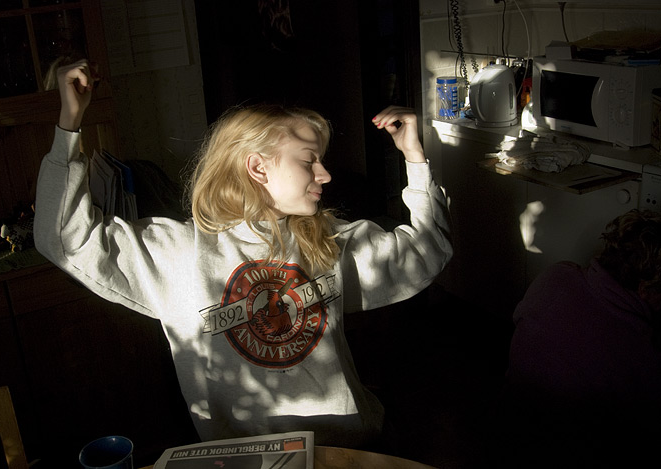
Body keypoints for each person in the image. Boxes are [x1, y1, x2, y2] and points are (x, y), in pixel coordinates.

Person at [33, 59, 452, 449]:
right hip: (244, 457)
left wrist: (414, 157)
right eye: (309, 160)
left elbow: (427, 251)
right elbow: (65, 238)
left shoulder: (325, 242)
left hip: (344, 449)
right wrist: (69, 126)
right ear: (258, 168)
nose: (324, 174)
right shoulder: (178, 255)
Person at [494, 209, 661, 468]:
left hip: (505, 430)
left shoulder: (556, 275)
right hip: (565, 454)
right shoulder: (642, 351)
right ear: (645, 289)